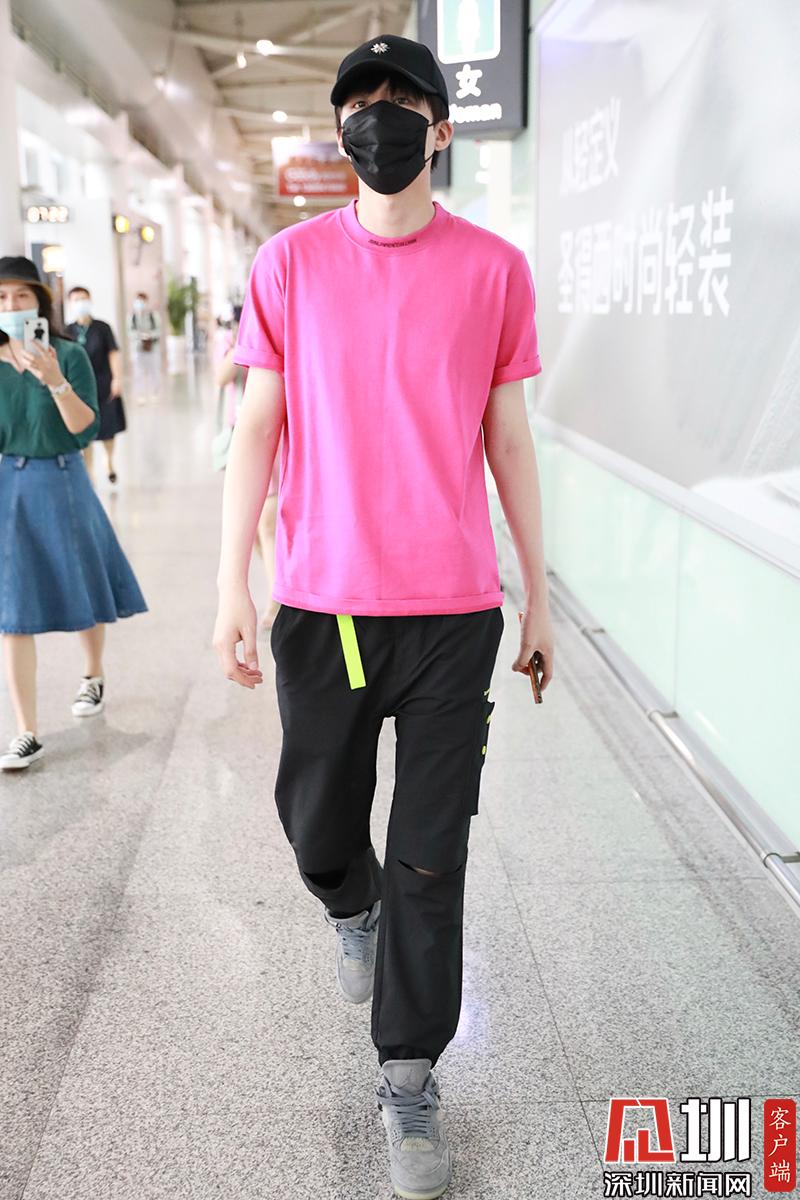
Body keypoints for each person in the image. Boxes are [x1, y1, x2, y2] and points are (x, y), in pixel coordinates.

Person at [212, 33, 555, 1200]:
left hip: (452, 611)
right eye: (358, 101)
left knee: (429, 852)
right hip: (325, 605)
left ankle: (408, 1076)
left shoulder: (493, 269)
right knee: (317, 825)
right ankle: (344, 903)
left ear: (440, 128)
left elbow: (508, 440)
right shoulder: (290, 264)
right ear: (338, 130)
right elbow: (257, 429)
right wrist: (231, 585)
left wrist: (535, 595)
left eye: (401, 99)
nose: (378, 116)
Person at [0, 256, 148, 770]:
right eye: (2, 297)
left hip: (64, 477)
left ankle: (93, 673)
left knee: (82, 580)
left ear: (41, 301)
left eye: (21, 295)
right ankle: (26, 730)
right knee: (13, 609)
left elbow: (84, 427)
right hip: (9, 483)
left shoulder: (68, 353)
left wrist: (54, 380)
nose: (11, 304)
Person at [214, 304, 281, 628]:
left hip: (274, 434)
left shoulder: (278, 327)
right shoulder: (229, 341)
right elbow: (221, 376)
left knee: (267, 522)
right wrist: (248, 338)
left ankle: (276, 599)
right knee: (252, 529)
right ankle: (281, 580)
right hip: (240, 436)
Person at [66, 286, 126, 484]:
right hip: (79, 388)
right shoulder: (67, 331)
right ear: (70, 304)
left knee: (108, 427)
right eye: (76, 300)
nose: (81, 303)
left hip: (103, 383)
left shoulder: (102, 328)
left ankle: (109, 462)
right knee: (85, 431)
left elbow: (113, 353)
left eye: (83, 299)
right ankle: (89, 472)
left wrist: (117, 378)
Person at [129, 291, 161, 404]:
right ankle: (141, 395)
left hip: (152, 348)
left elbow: (159, 331)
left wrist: (149, 335)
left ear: (146, 302)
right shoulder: (132, 316)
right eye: (138, 301)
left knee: (154, 371)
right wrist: (140, 336)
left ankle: (154, 393)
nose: (140, 303)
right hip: (137, 348)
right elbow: (130, 332)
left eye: (142, 301)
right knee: (139, 373)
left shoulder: (153, 315)